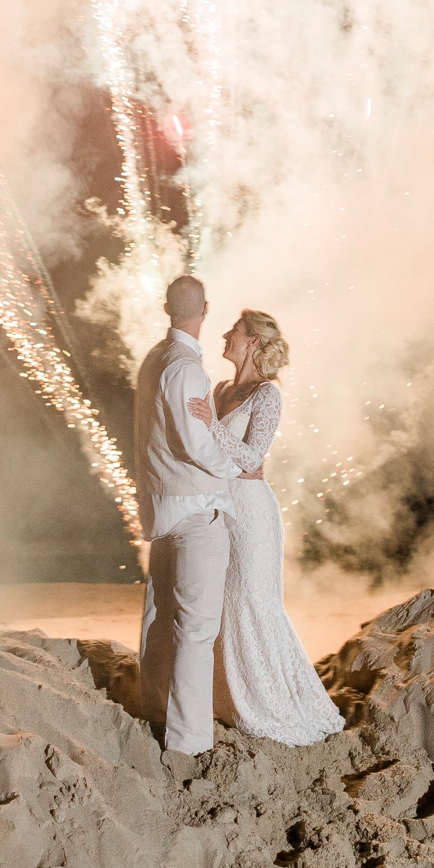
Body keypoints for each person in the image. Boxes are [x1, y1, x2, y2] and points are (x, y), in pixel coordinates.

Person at [188, 309, 345, 746]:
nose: (225, 335)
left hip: (252, 514)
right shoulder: (218, 389)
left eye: (234, 331)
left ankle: (273, 706)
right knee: (224, 605)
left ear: (253, 342)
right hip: (221, 508)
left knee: (252, 603)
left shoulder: (267, 394)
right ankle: (231, 701)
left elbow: (252, 459)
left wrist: (210, 426)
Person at [134, 274, 243, 758]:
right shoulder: (185, 367)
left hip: (161, 511)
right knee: (196, 631)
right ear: (205, 310)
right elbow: (195, 445)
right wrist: (233, 466)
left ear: (165, 308)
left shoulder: (153, 360)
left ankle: (154, 713)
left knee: (159, 622)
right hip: (196, 512)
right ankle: (189, 744)